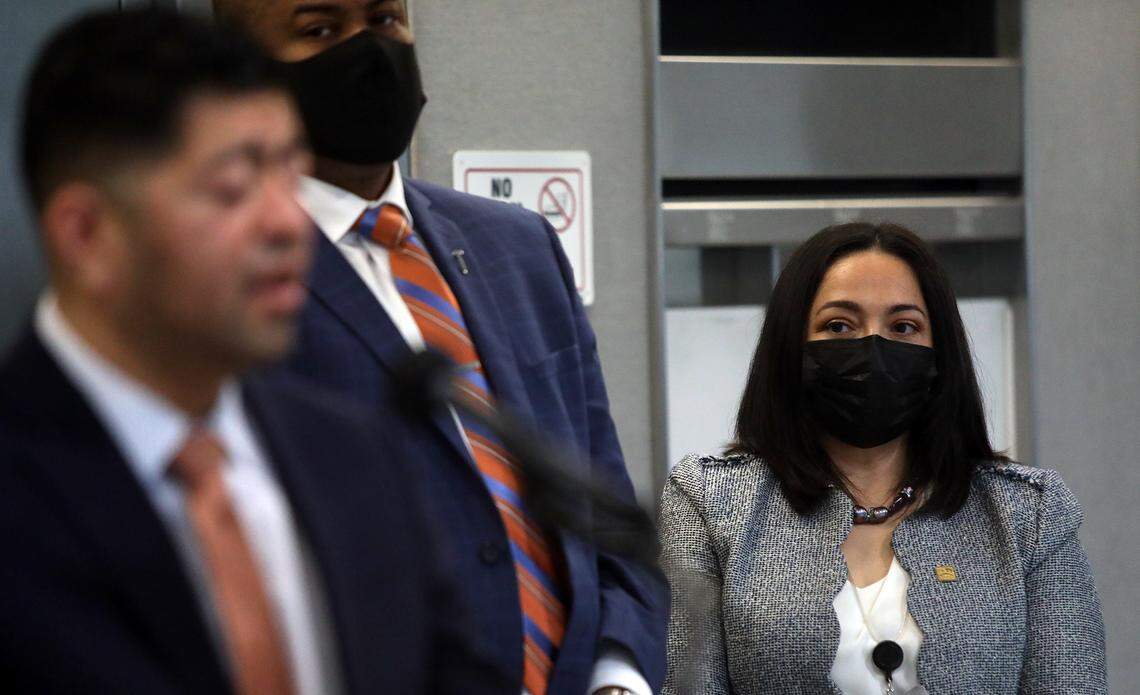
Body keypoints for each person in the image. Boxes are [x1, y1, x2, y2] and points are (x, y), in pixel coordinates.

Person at [1, 9, 471, 693]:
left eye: (288, 173)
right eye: (234, 187)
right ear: (86, 234)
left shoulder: (354, 453)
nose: (287, 222)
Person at [209, 2, 668, 694]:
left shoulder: (519, 247)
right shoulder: (218, 288)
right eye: (320, 30)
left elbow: (600, 509)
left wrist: (618, 674)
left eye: (386, 18)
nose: (369, 52)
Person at [658, 222, 1107, 694]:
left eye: (903, 327)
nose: (873, 347)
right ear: (789, 347)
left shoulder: (1029, 513)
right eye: (839, 325)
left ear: (940, 354)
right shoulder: (709, 504)